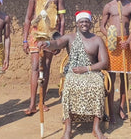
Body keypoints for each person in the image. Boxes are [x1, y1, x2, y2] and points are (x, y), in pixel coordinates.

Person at [38, 10, 108, 139]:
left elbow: (104, 63)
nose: (84, 24)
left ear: (90, 23)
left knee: (98, 86)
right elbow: (57, 43)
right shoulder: (70, 37)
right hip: (73, 71)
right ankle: (68, 129)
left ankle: (96, 128)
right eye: (81, 21)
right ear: (77, 23)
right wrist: (47, 43)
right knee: (69, 86)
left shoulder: (97, 39)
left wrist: (87, 68)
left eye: (87, 21)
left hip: (91, 71)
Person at [22, 0, 65, 115]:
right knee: (35, 66)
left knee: (45, 67)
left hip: (51, 36)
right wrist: (25, 40)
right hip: (36, 35)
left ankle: (42, 101)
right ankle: (32, 103)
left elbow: (62, 19)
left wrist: (59, 40)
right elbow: (28, 19)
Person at [100, 0, 131, 123]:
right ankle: (110, 109)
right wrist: (110, 36)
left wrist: (128, 41)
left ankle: (121, 107)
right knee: (111, 78)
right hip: (112, 44)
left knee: (124, 77)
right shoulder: (109, 6)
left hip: (125, 44)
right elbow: (102, 26)